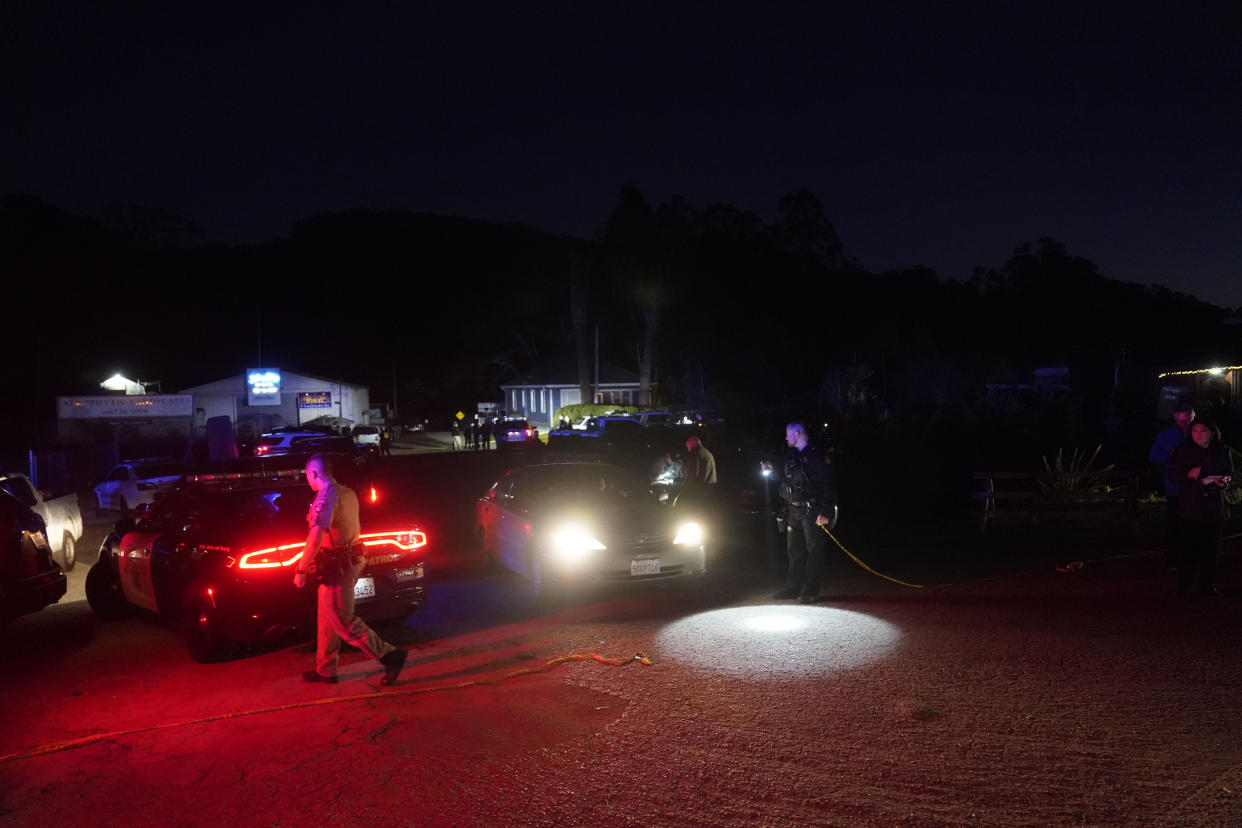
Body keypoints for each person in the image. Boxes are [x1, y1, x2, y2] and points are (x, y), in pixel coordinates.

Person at [293, 454, 407, 685]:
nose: (307, 480)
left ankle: (390, 655)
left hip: (339, 564)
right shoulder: (347, 492)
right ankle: (325, 670)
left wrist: (301, 569)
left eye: (307, 476)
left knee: (342, 620)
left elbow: (316, 536)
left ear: (314, 473)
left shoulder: (326, 497)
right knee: (327, 616)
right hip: (349, 559)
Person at [769, 421, 838, 603]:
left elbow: (828, 485)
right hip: (794, 510)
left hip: (812, 510)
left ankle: (810, 591)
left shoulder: (816, 457)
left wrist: (825, 511)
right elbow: (788, 482)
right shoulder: (792, 456)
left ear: (797, 434)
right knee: (794, 551)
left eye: (788, 434)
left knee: (814, 550)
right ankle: (792, 588)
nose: (786, 437)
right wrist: (772, 472)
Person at [1166, 420, 1234, 596]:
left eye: (1202, 431)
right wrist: (1187, 475)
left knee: (1211, 549)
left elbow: (1230, 475)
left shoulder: (1222, 451)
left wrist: (1221, 482)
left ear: (1212, 432)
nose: (1198, 434)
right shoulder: (1183, 450)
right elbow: (1172, 474)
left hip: (1214, 506)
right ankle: (1185, 585)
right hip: (1191, 506)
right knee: (1188, 548)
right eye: (1194, 430)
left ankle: (1208, 584)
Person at [1149, 403, 1194, 568]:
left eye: (1186, 421)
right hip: (1176, 487)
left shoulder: (1198, 433)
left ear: (1192, 417)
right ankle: (1175, 559)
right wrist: (1171, 457)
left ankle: (1191, 557)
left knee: (1194, 523)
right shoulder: (1166, 435)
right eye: (1179, 422)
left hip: (1195, 487)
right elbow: (1154, 457)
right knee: (1175, 523)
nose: (1183, 425)